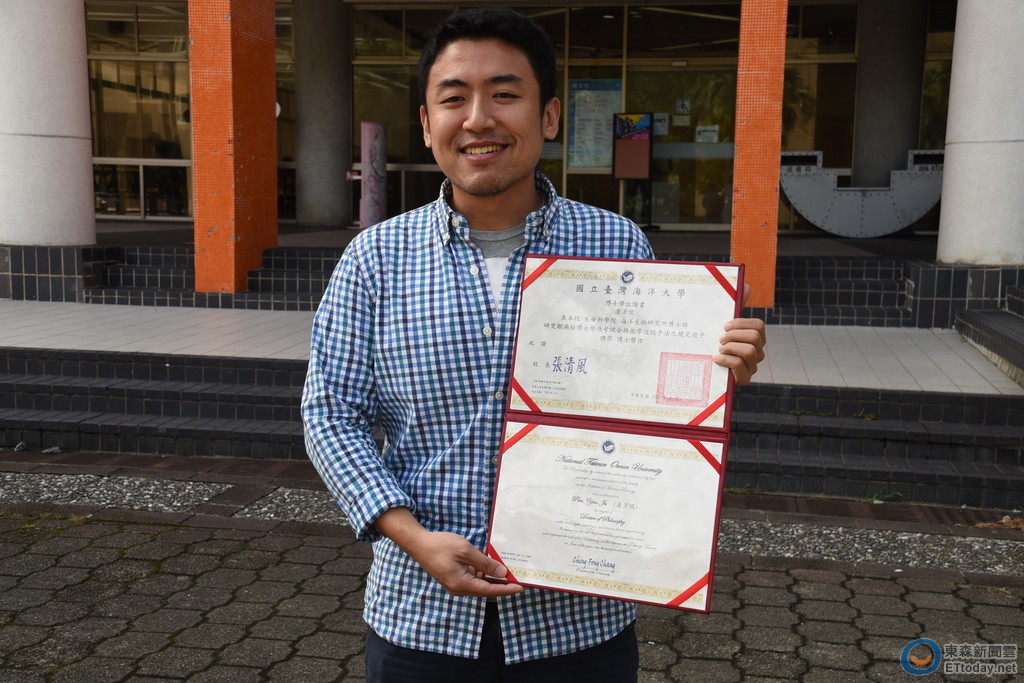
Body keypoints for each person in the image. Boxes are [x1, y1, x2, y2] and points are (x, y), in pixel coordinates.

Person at [301, 7, 766, 681]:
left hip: (578, 623)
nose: (478, 119)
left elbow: (645, 410)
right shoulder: (376, 258)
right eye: (454, 98)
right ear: (427, 123)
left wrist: (715, 369)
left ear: (548, 117)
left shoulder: (615, 243)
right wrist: (412, 537)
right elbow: (330, 413)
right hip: (421, 618)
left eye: (504, 94)